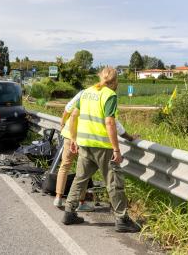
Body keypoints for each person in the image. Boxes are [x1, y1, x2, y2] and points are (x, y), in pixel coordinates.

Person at [62, 67, 140, 233]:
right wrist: (116, 150)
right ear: (115, 81)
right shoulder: (109, 95)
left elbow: (74, 116)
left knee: (80, 179)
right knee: (114, 182)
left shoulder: (86, 92)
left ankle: (69, 212)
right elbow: (110, 123)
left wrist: (74, 139)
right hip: (102, 147)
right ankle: (121, 219)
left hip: (84, 144)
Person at [54, 91, 139, 212]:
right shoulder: (105, 97)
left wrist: (62, 123)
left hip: (70, 134)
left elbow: (69, 109)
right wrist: (129, 137)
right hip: (85, 139)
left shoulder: (84, 93)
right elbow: (113, 123)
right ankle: (81, 203)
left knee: (66, 166)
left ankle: (58, 198)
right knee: (84, 172)